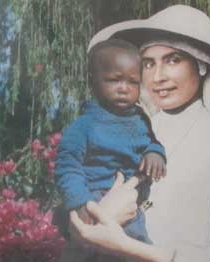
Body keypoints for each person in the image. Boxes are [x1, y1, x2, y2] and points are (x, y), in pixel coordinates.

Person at [70, 5, 210, 262]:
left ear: (202, 65)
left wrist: (128, 246)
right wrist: (98, 214)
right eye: (148, 64)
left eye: (173, 60)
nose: (158, 77)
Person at [54, 39, 167, 261]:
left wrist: (155, 153)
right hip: (94, 199)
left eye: (133, 82)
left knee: (135, 250)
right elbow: (67, 166)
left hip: (132, 206)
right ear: (93, 83)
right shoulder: (85, 125)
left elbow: (152, 142)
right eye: (114, 80)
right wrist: (80, 202)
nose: (124, 88)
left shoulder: (141, 120)